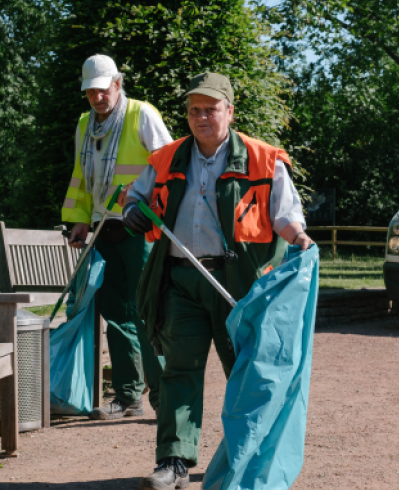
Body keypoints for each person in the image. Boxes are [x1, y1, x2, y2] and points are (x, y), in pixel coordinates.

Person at [122, 72, 313, 490]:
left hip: (239, 286)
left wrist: (300, 239)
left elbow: (286, 215)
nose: (201, 117)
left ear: (230, 110)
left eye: (210, 109)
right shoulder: (165, 157)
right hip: (181, 281)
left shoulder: (264, 159)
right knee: (179, 370)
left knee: (246, 374)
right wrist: (131, 210)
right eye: (194, 110)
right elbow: (134, 196)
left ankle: (250, 456)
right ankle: (173, 462)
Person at [61, 54, 172, 420]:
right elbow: (81, 175)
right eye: (90, 91)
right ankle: (127, 397)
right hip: (102, 228)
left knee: (146, 312)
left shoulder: (142, 114)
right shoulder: (84, 124)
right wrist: (79, 219)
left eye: (102, 89)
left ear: (117, 84)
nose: (97, 97)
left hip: (139, 228)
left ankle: (164, 398)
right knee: (114, 312)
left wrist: (139, 193)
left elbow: (168, 165)